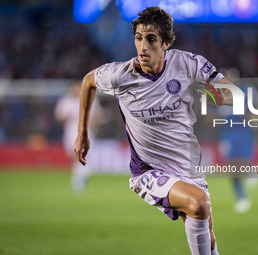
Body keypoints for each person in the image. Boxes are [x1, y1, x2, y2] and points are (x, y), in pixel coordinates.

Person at [73, 7, 235, 255]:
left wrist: (211, 93)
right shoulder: (120, 75)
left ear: (166, 43)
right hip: (149, 171)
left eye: (151, 39)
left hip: (188, 167)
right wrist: (82, 132)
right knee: (199, 203)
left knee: (208, 238)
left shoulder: (188, 64)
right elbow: (88, 81)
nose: (143, 46)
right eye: (138, 38)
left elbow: (233, 96)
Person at [218, 68, 258, 214]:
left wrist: (252, 115)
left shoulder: (247, 90)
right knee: (232, 167)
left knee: (243, 161)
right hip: (228, 133)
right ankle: (242, 198)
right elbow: (212, 113)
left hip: (243, 131)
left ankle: (249, 170)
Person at [55, 80, 103, 191]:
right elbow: (59, 117)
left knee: (81, 155)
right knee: (74, 156)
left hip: (86, 131)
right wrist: (66, 117)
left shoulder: (90, 98)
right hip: (70, 131)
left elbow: (98, 115)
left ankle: (78, 181)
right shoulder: (66, 101)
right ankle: (82, 175)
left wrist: (93, 121)